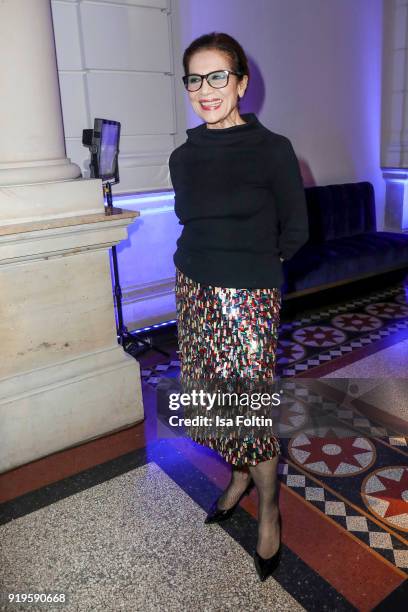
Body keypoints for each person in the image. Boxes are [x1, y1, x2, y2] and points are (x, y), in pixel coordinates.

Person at [169, 32, 309, 581]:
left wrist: (253, 274)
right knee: (211, 399)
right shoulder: (182, 156)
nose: (206, 90)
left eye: (218, 77)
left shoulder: (272, 149)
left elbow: (296, 231)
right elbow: (191, 224)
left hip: (248, 298)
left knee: (249, 413)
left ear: (242, 83)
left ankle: (269, 507)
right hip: (194, 289)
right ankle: (238, 477)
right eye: (195, 79)